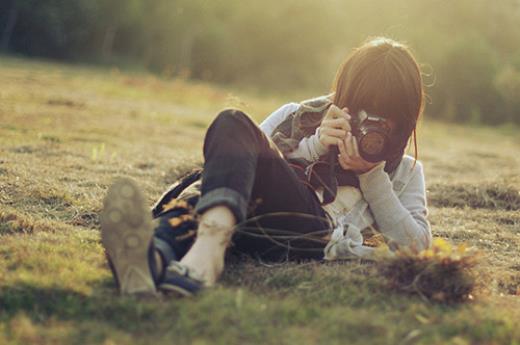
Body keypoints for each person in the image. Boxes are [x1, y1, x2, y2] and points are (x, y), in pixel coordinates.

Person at [100, 37, 432, 297]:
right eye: (364, 110)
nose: (371, 126)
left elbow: (418, 248)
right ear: (344, 97)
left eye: (386, 119)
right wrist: (313, 146)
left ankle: (202, 254)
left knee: (216, 195)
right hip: (245, 220)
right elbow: (236, 165)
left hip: (310, 233)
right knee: (231, 127)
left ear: (404, 121)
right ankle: (152, 259)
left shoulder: (403, 171)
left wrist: (371, 177)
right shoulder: (296, 116)